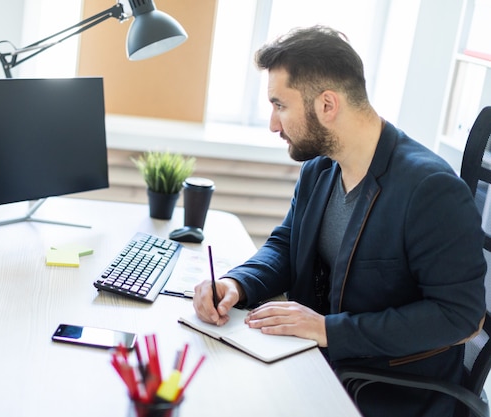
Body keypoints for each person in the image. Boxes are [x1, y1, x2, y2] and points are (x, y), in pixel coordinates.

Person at [192, 25, 486, 417]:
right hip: (316, 365)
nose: (273, 124)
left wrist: (328, 330)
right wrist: (237, 283)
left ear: (327, 105)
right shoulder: (320, 169)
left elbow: (460, 316)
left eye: (280, 105)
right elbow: (286, 243)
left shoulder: (429, 189)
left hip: (384, 391)